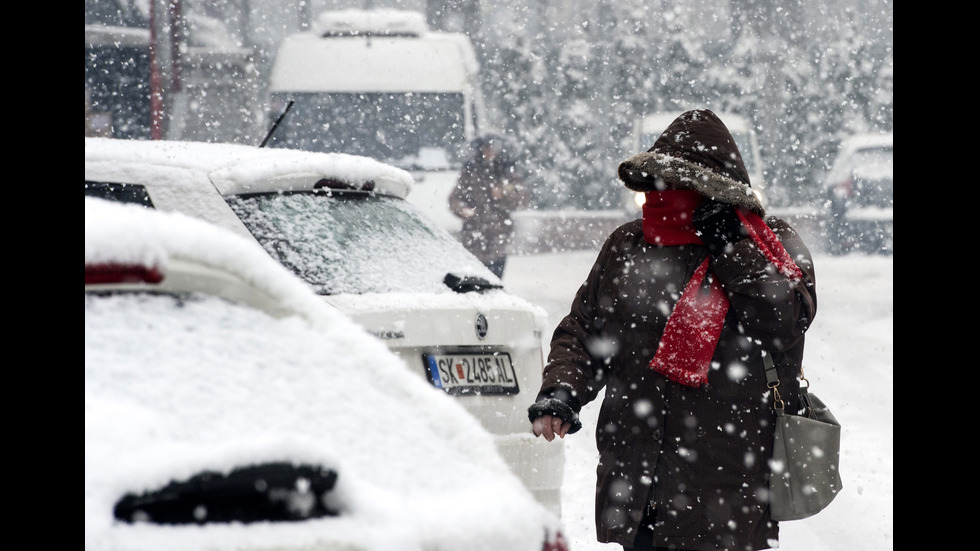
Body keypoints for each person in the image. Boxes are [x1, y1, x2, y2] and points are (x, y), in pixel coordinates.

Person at [527, 109, 817, 551]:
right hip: (637, 477)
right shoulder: (629, 244)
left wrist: (729, 247)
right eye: (654, 183)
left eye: (677, 185)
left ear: (714, 189)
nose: (661, 196)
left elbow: (784, 323)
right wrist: (563, 391)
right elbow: (587, 330)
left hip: (728, 484)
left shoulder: (765, 241)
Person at [449, 134, 531, 278]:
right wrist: (462, 210)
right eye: (486, 148)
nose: (489, 152)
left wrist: (504, 193)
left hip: (498, 236)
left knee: (495, 279)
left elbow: (522, 197)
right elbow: (455, 198)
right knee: (474, 280)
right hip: (474, 235)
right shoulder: (471, 171)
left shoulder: (506, 171)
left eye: (493, 148)